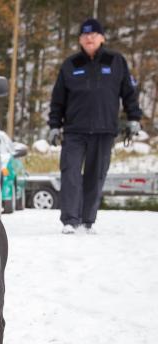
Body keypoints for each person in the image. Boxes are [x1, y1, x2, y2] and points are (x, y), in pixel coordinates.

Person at [48, 18, 142, 234]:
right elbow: (58, 99)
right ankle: (70, 220)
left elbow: (129, 92)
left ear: (102, 38)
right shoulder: (70, 65)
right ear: (80, 40)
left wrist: (133, 118)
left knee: (96, 175)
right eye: (85, 35)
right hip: (74, 131)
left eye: (94, 34)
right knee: (70, 172)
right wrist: (54, 125)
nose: (89, 38)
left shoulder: (116, 61)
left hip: (104, 130)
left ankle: (88, 221)